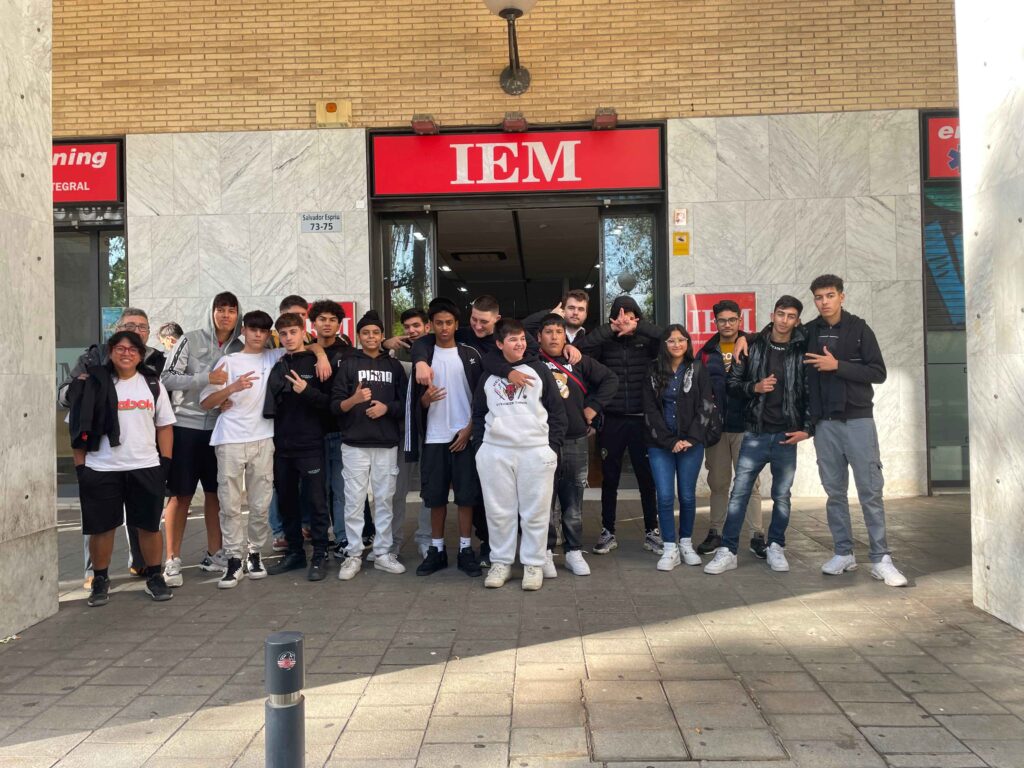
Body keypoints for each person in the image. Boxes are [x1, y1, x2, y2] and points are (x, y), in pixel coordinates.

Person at [199, 311, 329, 588]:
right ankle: (234, 559)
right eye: (253, 329)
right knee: (230, 504)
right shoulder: (228, 361)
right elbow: (206, 402)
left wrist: (322, 355)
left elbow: (307, 344)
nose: (258, 334)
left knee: (260, 505)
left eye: (263, 330)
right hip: (230, 439)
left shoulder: (275, 356)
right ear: (243, 331)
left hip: (266, 439)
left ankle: (255, 554)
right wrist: (231, 389)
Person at [484, 313, 617, 577]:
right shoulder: (532, 362)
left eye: (559, 332)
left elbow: (610, 380)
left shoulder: (577, 360)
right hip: (542, 442)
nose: (554, 337)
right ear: (538, 337)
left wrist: (593, 407)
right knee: (542, 501)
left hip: (576, 439)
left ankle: (574, 550)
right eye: (548, 332)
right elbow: (492, 358)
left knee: (573, 499)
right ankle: (544, 551)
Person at [804, 274, 907, 587]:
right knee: (834, 493)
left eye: (830, 295)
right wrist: (746, 339)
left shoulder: (860, 329)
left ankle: (881, 558)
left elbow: (878, 372)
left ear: (842, 297)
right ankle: (843, 553)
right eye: (819, 297)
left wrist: (838, 366)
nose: (824, 302)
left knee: (870, 492)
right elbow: (778, 336)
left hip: (858, 420)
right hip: (825, 424)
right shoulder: (808, 331)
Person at [58, 308, 166, 585]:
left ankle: (146, 567)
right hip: (102, 460)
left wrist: (164, 462)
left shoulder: (156, 364)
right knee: (100, 524)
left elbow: (164, 416)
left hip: (144, 457)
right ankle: (94, 575)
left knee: (145, 521)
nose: (136, 332)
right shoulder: (93, 360)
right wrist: (80, 388)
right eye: (129, 326)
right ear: (116, 333)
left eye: (142, 327)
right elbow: (68, 403)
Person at [704, 296, 811, 576]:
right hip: (754, 432)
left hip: (787, 434)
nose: (784, 320)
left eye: (790, 316)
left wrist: (808, 429)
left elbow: (811, 391)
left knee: (781, 495)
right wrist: (755, 387)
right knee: (739, 492)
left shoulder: (803, 349)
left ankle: (775, 545)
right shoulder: (752, 346)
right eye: (780, 314)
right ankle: (728, 550)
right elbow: (732, 383)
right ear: (772, 315)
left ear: (797, 320)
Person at [472, 319, 567, 590]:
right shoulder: (489, 374)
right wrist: (480, 448)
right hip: (496, 452)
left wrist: (551, 448)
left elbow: (557, 412)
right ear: (499, 344)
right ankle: (501, 562)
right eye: (513, 339)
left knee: (536, 512)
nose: (520, 344)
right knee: (498, 512)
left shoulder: (539, 369)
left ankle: (533, 564)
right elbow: (478, 413)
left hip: (534, 450)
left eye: (522, 338)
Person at [160, 292, 244, 587]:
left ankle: (214, 554)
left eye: (231, 310)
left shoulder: (240, 347)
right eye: (221, 309)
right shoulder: (190, 339)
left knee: (215, 494)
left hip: (221, 430)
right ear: (212, 311)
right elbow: (167, 378)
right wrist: (205, 378)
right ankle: (172, 559)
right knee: (180, 494)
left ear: (238, 314)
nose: (225, 315)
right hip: (185, 427)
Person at [573, 296, 663, 555]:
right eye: (620, 317)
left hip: (641, 419)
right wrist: (609, 329)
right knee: (610, 477)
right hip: (611, 420)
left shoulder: (648, 341)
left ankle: (652, 531)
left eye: (630, 317)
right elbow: (578, 349)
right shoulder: (604, 341)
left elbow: (670, 337)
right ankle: (608, 531)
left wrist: (639, 327)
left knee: (646, 478)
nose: (625, 321)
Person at [406, 298, 484, 577]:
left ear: (456, 324)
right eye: (438, 323)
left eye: (449, 322)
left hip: (464, 436)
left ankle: (465, 550)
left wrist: (470, 429)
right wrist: (425, 400)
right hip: (434, 437)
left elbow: (482, 398)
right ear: (431, 325)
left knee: (466, 497)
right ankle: (436, 550)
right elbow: (416, 403)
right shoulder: (424, 356)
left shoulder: (470, 354)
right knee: (435, 498)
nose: (444, 328)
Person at [331, 310, 408, 580]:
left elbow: (405, 404)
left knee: (385, 499)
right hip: (354, 443)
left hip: (386, 443)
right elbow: (335, 405)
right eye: (366, 333)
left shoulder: (394, 367)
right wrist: (354, 399)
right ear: (359, 336)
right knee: (354, 500)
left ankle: (383, 552)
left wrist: (387, 408)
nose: (371, 337)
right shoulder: (348, 364)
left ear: (382, 336)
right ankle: (353, 554)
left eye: (376, 332)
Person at [643, 325, 721, 571]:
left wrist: (692, 438)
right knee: (665, 496)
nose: (676, 344)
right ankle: (670, 547)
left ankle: (685, 542)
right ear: (664, 344)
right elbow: (650, 409)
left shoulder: (697, 368)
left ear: (687, 343)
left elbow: (706, 404)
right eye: (671, 340)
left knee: (687, 496)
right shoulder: (653, 370)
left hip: (691, 443)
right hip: (660, 444)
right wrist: (669, 441)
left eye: (681, 340)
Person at [263, 312, 333, 582]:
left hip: (311, 443)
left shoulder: (317, 362)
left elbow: (331, 404)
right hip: (282, 445)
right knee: (287, 502)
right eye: (283, 334)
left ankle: (320, 554)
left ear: (303, 332)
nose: (289, 338)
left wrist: (307, 391)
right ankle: (295, 553)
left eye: (293, 332)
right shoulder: (277, 363)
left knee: (316, 502)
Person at [696, 300, 765, 558]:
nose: (727, 324)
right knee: (718, 483)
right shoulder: (706, 352)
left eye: (732, 320)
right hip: (716, 430)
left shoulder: (754, 347)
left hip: (746, 426)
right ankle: (716, 532)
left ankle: (757, 535)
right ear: (715, 322)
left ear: (740, 320)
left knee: (751, 484)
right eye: (722, 320)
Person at [269, 294, 313, 549]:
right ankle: (280, 531)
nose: (290, 334)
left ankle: (307, 527)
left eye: (302, 317)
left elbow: (314, 348)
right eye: (292, 317)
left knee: (310, 487)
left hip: (308, 434)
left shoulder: (313, 348)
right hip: (277, 432)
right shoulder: (269, 348)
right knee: (280, 486)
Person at [391, 308, 434, 559]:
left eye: (416, 325)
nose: (411, 331)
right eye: (407, 327)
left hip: (431, 432)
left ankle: (426, 539)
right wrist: (385, 344)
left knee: (429, 490)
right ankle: (392, 542)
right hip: (403, 432)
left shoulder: (438, 350)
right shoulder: (395, 354)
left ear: (427, 326)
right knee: (397, 490)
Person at [523, 289, 590, 344]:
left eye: (581, 309)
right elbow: (521, 326)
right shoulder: (543, 333)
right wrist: (550, 315)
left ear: (586, 314)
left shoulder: (588, 337)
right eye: (571, 308)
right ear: (562, 310)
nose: (575, 313)